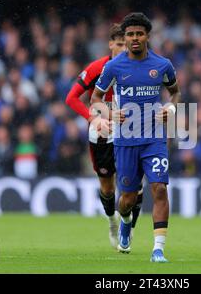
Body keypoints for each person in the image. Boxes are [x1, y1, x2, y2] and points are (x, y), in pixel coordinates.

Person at [91, 13, 181, 263]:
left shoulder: (163, 65)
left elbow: (175, 93)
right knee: (127, 200)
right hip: (126, 140)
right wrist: (111, 113)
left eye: (139, 34)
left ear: (147, 36)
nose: (134, 38)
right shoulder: (114, 67)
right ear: (125, 37)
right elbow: (95, 99)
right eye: (130, 34)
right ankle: (126, 223)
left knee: (159, 189)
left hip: (154, 137)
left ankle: (158, 250)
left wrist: (171, 109)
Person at [65, 24, 143, 249]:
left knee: (133, 186)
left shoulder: (137, 68)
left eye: (125, 43)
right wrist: (94, 119)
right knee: (108, 188)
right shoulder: (97, 68)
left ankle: (127, 231)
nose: (122, 48)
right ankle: (112, 221)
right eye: (118, 44)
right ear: (110, 44)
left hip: (130, 132)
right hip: (101, 134)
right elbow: (72, 98)